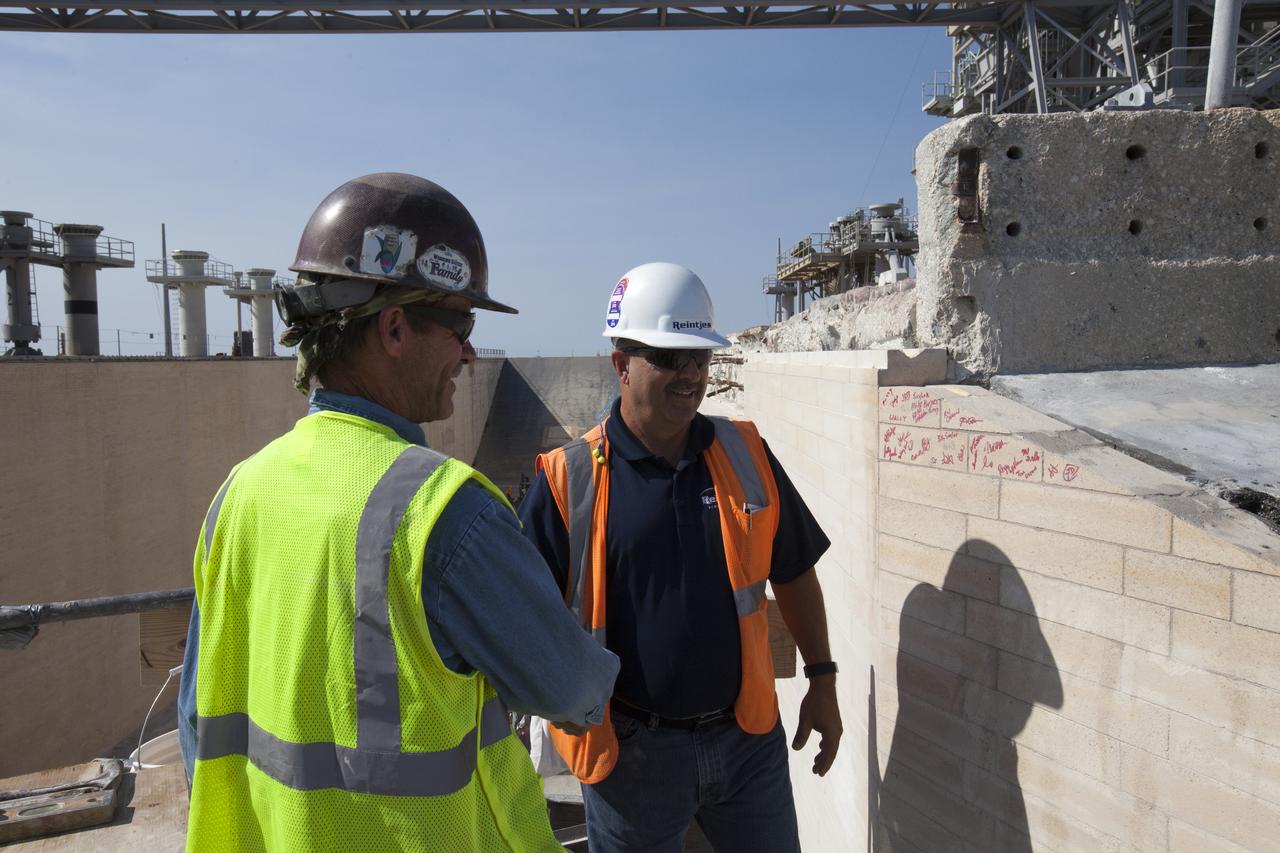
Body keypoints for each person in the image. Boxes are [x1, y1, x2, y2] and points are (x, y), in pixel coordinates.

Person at [177, 173, 619, 852]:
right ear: (392, 328)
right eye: (460, 324)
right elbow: (574, 691)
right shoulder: (441, 508)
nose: (469, 352)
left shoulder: (239, 493)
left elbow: (196, 723)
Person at [518, 262, 844, 852]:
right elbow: (520, 619)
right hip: (631, 757)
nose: (690, 374)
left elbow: (793, 569)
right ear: (621, 363)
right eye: (669, 358)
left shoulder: (745, 453)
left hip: (747, 743)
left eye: (700, 357)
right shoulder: (568, 481)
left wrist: (823, 679)